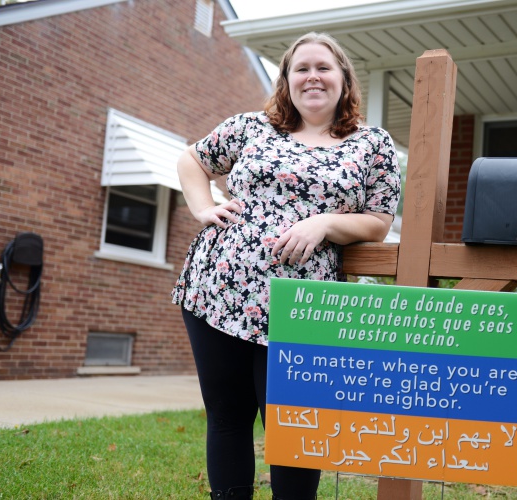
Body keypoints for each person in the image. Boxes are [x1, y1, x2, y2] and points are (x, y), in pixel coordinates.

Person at [171, 32, 401, 500]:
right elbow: (192, 159)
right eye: (301, 68)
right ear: (287, 80)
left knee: (297, 428)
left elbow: (378, 222)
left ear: (343, 79)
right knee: (228, 417)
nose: (312, 76)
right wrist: (202, 206)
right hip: (218, 290)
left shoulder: (372, 144)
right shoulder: (252, 127)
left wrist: (324, 223)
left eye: (323, 67)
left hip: (303, 305)